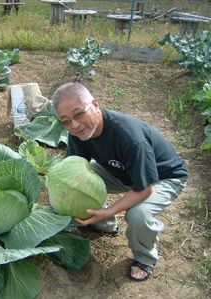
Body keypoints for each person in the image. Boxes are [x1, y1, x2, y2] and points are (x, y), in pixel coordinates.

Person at [52, 82, 188, 282]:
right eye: (66, 121)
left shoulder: (130, 137)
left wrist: (110, 209)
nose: (75, 125)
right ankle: (106, 226)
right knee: (79, 183)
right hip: (121, 171)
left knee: (138, 214)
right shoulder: (78, 133)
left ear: (96, 105)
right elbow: (74, 169)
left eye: (79, 113)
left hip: (162, 177)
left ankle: (144, 258)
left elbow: (145, 189)